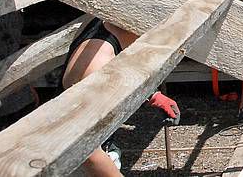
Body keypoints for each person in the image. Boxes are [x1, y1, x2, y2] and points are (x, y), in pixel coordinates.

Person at [61, 18, 180, 176]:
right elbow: (82, 147)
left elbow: (125, 65)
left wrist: (152, 95)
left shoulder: (109, 23)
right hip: (71, 161)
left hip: (96, 142)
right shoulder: (96, 68)